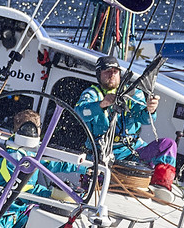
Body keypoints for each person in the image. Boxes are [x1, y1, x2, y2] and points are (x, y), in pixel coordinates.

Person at [75, 54, 177, 199]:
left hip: (132, 151)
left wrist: (150, 109)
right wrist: (102, 104)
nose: (112, 74)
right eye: (107, 71)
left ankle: (160, 186)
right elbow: (80, 112)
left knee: (168, 145)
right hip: (101, 154)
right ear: (99, 74)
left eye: (115, 71)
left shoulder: (133, 93)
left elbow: (145, 119)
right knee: (93, 189)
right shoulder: (92, 94)